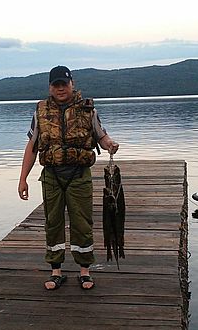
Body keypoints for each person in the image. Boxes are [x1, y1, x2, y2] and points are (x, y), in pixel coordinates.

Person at [18, 65, 119, 290]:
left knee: (82, 223)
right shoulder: (40, 112)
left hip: (79, 175)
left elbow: (101, 136)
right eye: (56, 85)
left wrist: (110, 145)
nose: (60, 89)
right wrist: (23, 179)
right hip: (52, 176)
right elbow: (32, 147)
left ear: (72, 84)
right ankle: (56, 271)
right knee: (53, 223)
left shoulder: (88, 110)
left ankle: (85, 271)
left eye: (64, 84)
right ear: (50, 87)